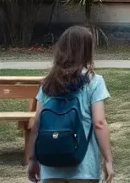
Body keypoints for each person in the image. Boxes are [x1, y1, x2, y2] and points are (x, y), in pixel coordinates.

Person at [26, 25, 114, 183]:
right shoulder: (94, 81)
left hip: (51, 163)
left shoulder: (48, 83)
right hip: (83, 164)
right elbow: (99, 123)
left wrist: (33, 159)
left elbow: (37, 123)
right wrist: (108, 159)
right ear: (87, 50)